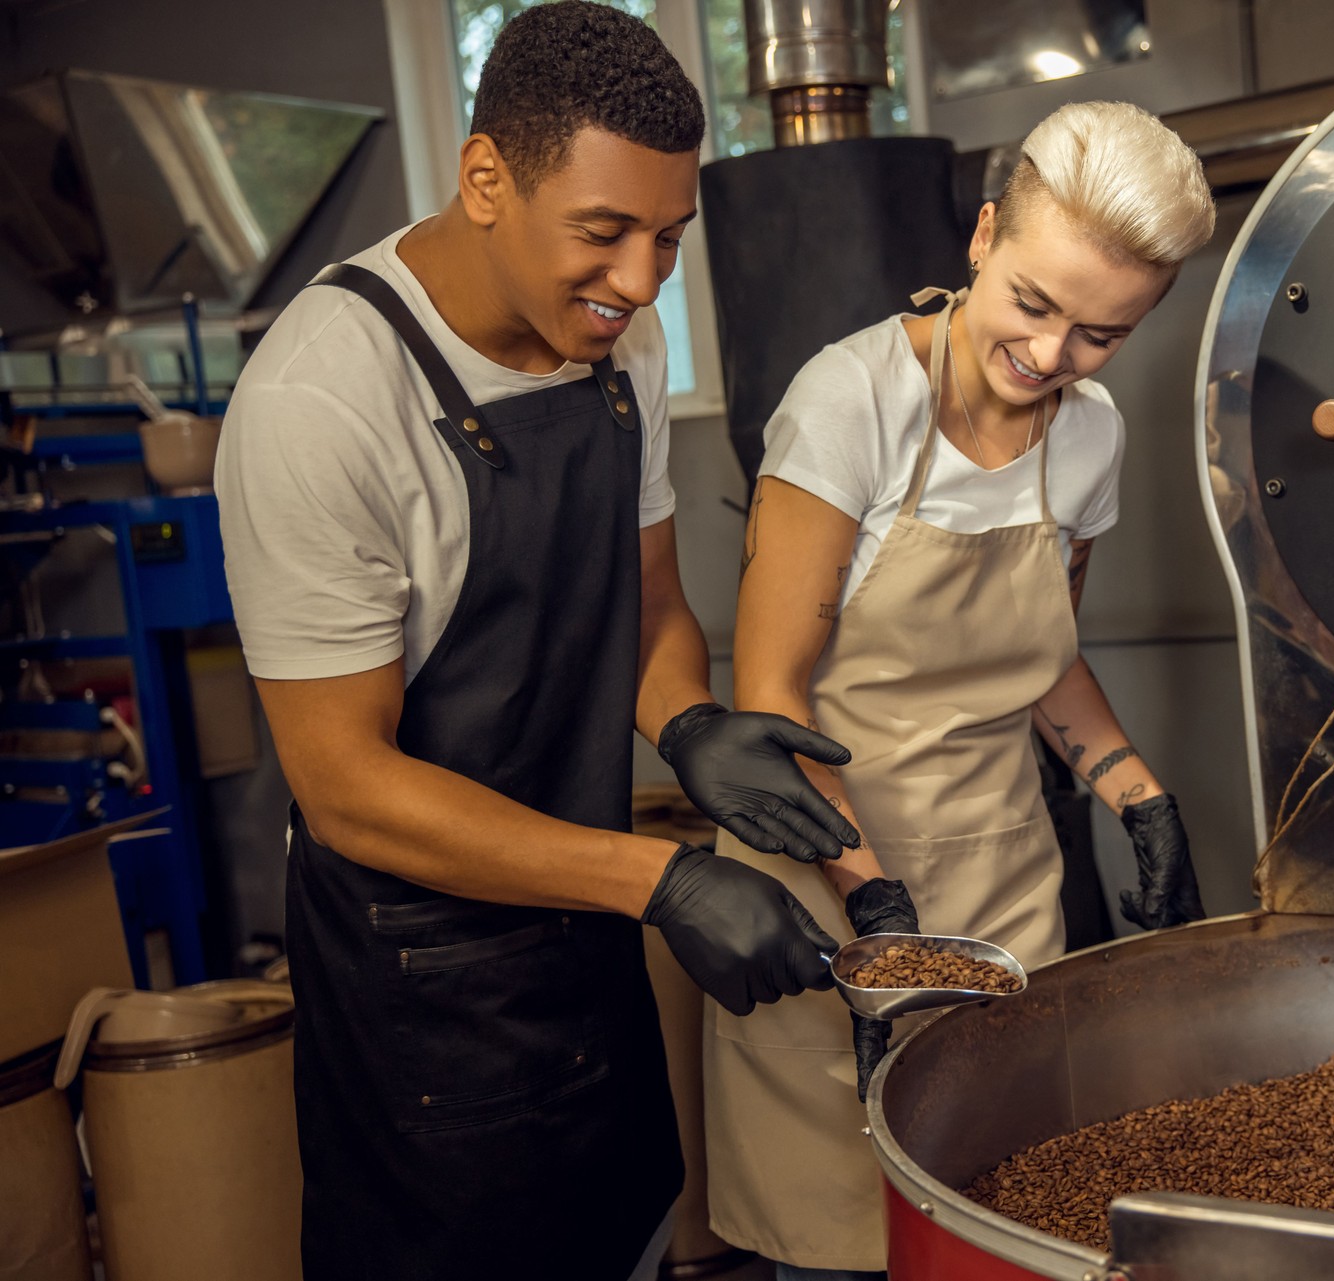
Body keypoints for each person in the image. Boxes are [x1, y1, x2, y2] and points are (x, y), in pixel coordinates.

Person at [213, 5, 860, 1278]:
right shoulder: (321, 403)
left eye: (668, 239)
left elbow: (649, 605)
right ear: (486, 180)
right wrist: (659, 881)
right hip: (424, 989)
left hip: (584, 934)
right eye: (604, 233)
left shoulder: (617, 338)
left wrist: (687, 720)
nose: (639, 280)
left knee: (620, 1229)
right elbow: (345, 787)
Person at [703, 100, 1216, 1278]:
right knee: (835, 1242)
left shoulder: (1087, 439)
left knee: (1000, 1225)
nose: (1050, 357)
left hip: (1001, 888)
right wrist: (881, 920)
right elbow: (770, 694)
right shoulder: (852, 401)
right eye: (1033, 305)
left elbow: (1044, 660)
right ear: (984, 236)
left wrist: (1137, 794)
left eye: (1099, 335)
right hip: (829, 892)